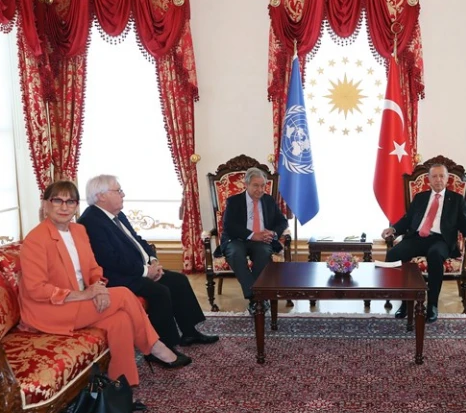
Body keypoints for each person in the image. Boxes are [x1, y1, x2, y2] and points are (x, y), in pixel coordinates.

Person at [18, 181, 190, 395]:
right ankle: (155, 347)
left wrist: (98, 288)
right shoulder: (36, 240)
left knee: (121, 320)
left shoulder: (78, 230)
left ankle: (121, 389)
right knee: (124, 295)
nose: (64, 207)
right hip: (49, 310)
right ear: (45, 204)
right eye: (57, 200)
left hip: (79, 302)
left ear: (76, 206)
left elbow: (93, 268)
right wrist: (84, 294)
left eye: (70, 201)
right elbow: (36, 289)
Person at [78, 175, 218, 353]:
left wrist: (153, 260)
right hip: (117, 278)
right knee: (160, 291)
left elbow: (138, 240)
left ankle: (190, 333)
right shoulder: (90, 222)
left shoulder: (117, 215)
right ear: (101, 196)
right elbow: (109, 260)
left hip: (137, 269)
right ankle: (163, 346)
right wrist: (145, 272)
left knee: (178, 280)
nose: (123, 194)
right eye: (118, 191)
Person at [381, 163, 466, 323]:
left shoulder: (456, 199)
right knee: (394, 254)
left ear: (447, 179)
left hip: (440, 240)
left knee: (435, 255)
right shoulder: (420, 197)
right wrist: (393, 229)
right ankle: (405, 302)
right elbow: (407, 219)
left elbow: (464, 221)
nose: (438, 179)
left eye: (442, 176)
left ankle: (432, 305)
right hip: (417, 238)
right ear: (428, 179)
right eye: (434, 176)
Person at [221, 167, 288, 314]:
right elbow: (228, 226)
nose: (260, 189)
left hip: (262, 241)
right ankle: (256, 297)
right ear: (246, 185)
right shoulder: (234, 201)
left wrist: (273, 233)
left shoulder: (268, 200)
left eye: (263, 185)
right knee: (235, 253)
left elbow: (282, 222)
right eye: (256, 185)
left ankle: (256, 299)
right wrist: (252, 235)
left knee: (263, 252)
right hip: (237, 239)